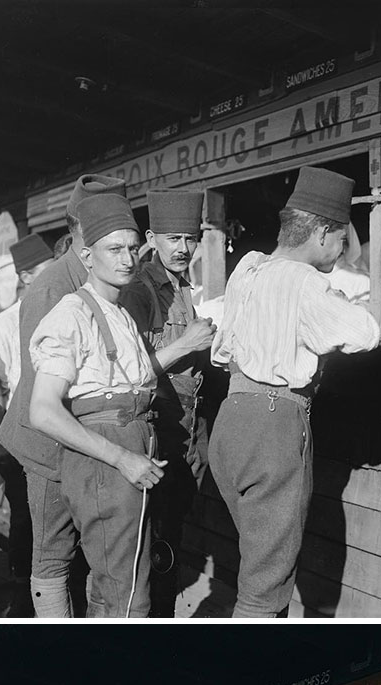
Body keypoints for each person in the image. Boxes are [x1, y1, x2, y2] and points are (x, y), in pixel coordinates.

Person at [28, 192, 215, 617]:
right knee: (127, 596)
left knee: (121, 588)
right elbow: (42, 410)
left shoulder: (120, 314)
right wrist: (121, 458)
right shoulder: (72, 314)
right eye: (114, 249)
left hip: (134, 452)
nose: (128, 259)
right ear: (87, 256)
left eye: (132, 248)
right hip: (108, 462)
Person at [210, 166, 380, 617]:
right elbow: (364, 332)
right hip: (273, 426)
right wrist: (343, 300)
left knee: (256, 564)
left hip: (231, 419)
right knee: (266, 584)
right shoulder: (307, 282)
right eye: (341, 239)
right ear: (323, 233)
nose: (342, 250)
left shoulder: (249, 267)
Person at [0, 174, 140, 618]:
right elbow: (44, 390)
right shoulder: (54, 287)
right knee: (53, 555)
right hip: (49, 449)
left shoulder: (108, 281)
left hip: (86, 443)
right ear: (78, 228)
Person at [137, 190, 212, 617]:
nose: (184, 249)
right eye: (173, 240)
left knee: (172, 534)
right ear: (152, 238)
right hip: (157, 435)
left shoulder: (183, 286)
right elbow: (130, 369)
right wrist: (188, 342)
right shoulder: (142, 290)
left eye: (191, 238)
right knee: (157, 541)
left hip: (185, 429)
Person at [0, 233, 54, 585]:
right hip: (19, 443)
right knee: (24, 520)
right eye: (46, 272)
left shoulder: (59, 315)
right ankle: (22, 597)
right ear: (25, 277)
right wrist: (8, 446)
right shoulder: (4, 323)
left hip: (55, 438)